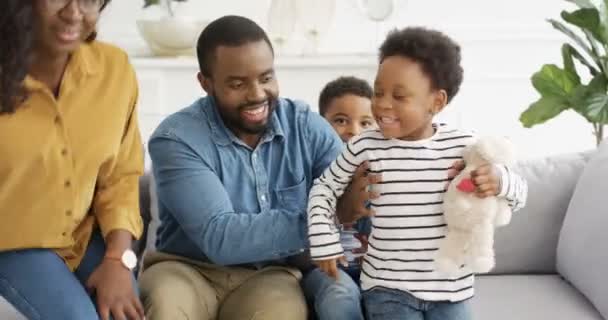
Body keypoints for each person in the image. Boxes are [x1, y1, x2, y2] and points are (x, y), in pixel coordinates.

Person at [139, 15, 373, 320]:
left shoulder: (304, 127)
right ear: (205, 83)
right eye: (238, 84)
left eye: (266, 78)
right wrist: (330, 216)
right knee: (166, 308)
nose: (257, 94)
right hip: (186, 269)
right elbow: (219, 238)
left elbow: (359, 191)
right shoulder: (176, 138)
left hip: (270, 273)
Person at [307, 27, 528, 320]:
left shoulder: (464, 146)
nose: (383, 104)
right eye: (379, 92)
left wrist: (500, 182)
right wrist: (324, 240)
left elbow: (518, 195)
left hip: (451, 289)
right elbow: (323, 189)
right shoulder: (365, 145)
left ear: (436, 102)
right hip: (388, 289)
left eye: (399, 96)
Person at [0, 1, 145, 320]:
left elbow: (121, 176)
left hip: (81, 237)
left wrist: (118, 259)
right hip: (11, 243)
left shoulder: (114, 69)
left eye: (89, 0)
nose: (73, 12)